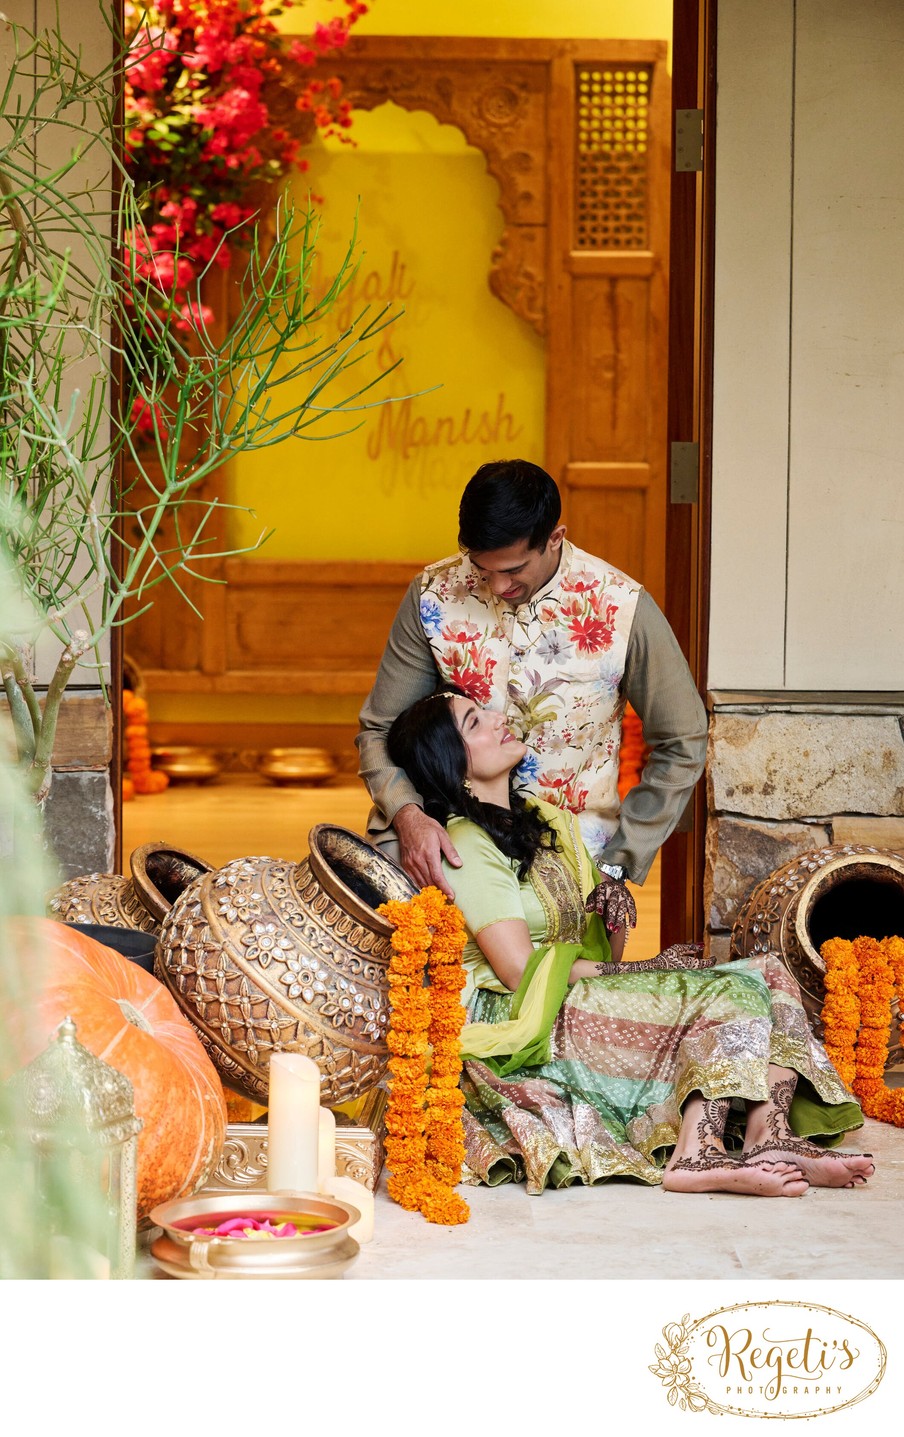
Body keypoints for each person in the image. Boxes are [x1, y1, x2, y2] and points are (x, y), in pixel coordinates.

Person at [386, 689, 874, 1197]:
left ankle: (767, 1136)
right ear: (453, 764)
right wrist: (651, 969)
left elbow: (601, 956)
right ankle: (694, 1154)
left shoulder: (550, 822)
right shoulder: (465, 843)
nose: (496, 719)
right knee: (718, 990)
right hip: (520, 1016)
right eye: (474, 723)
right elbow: (520, 972)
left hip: (575, 997)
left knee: (770, 971)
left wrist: (613, 917)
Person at [357, 458, 709, 953]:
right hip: (448, 845)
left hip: (576, 858)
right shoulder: (433, 595)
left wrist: (621, 861)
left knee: (569, 1010)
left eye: (514, 569)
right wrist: (407, 816)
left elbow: (683, 739)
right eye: (481, 569)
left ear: (556, 537)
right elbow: (380, 729)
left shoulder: (622, 605)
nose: (498, 586)